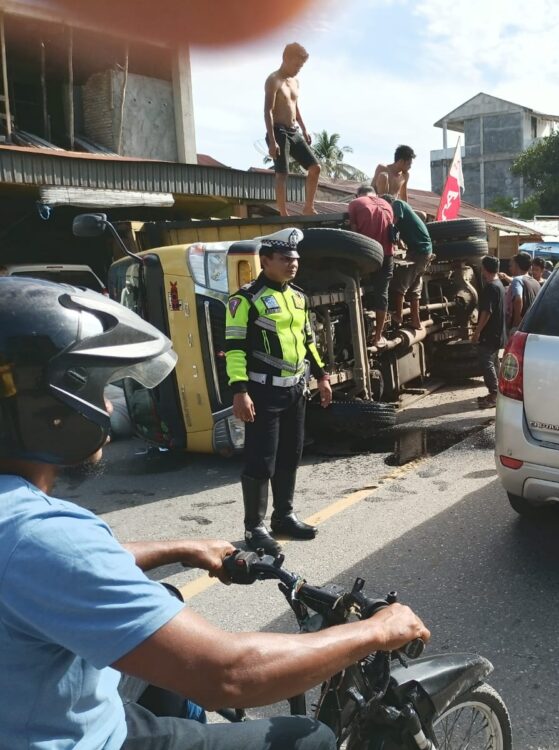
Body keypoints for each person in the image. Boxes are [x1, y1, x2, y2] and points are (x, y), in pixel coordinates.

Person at [0, 276, 432, 748]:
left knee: (164, 601)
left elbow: (66, 568)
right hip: (83, 738)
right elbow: (229, 674)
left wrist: (182, 547)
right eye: (99, 388)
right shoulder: (41, 535)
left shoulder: (22, 526)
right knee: (307, 737)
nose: (106, 405)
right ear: (50, 409)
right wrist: (376, 631)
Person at [225, 231, 333, 556]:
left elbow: (309, 341)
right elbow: (233, 348)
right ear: (266, 260)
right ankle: (254, 527)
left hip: (295, 390)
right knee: (261, 459)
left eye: (296, 260)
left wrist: (324, 375)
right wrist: (239, 391)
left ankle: (283, 516)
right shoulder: (244, 300)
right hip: (261, 392)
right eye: (286, 259)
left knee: (290, 454)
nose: (293, 265)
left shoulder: (299, 297)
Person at [264, 43, 321, 217]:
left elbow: (295, 107)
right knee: (282, 173)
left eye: (301, 66)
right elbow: (267, 111)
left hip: (293, 130)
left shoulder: (295, 82)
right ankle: (283, 212)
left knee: (315, 167)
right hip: (278, 131)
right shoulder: (273, 79)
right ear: (285, 59)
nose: (298, 69)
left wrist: (304, 129)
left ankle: (308, 207)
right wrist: (272, 141)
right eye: (296, 65)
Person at [348, 186, 396, 347]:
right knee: (381, 293)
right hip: (388, 254)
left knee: (354, 290)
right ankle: (378, 336)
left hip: (366, 254)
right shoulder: (387, 203)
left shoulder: (355, 203)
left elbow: (354, 233)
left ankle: (358, 332)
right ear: (376, 194)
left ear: (358, 194)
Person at [390, 198, 434, 331]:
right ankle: (416, 321)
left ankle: (398, 316)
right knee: (414, 289)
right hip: (422, 251)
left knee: (400, 285)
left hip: (419, 251)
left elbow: (393, 221)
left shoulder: (397, 204)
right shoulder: (402, 216)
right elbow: (395, 234)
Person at [471, 256, 506, 409]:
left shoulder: (491, 287)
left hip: (490, 333)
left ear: (484, 269)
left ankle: (494, 393)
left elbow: (486, 312)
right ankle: (499, 392)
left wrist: (477, 331)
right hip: (498, 333)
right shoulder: (499, 284)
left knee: (486, 362)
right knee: (494, 361)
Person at [504, 252, 541, 334]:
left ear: (517, 265)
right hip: (531, 326)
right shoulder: (536, 282)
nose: (509, 268)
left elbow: (518, 299)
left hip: (520, 327)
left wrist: (516, 320)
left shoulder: (517, 280)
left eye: (511, 265)